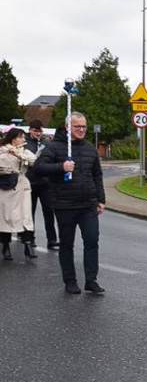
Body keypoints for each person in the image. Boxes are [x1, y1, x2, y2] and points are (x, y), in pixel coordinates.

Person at [33, 111, 106, 295]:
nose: (81, 130)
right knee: (66, 244)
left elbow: (97, 174)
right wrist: (61, 167)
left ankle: (91, 280)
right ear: (68, 127)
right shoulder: (54, 147)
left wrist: (101, 199)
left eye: (84, 127)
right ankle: (70, 280)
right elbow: (38, 168)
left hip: (88, 204)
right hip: (65, 204)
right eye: (77, 127)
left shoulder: (90, 148)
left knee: (91, 240)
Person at [0, 128, 39, 261]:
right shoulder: (2, 150)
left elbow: (34, 161)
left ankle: (27, 246)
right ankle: (5, 246)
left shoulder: (24, 151)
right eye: (21, 137)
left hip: (22, 186)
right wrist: (6, 153)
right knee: (6, 217)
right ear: (13, 138)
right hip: (6, 187)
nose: (24, 139)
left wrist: (19, 155)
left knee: (26, 216)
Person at [24, 119, 59, 249]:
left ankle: (52, 239)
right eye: (35, 131)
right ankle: (30, 238)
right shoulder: (24, 143)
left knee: (49, 211)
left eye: (40, 131)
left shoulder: (46, 143)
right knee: (30, 211)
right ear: (30, 130)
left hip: (44, 182)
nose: (38, 133)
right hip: (30, 181)